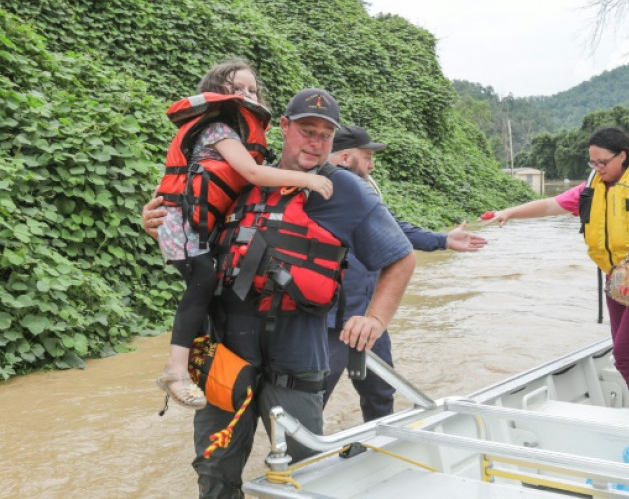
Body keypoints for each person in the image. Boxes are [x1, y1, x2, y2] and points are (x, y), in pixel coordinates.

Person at [145, 88, 415, 498]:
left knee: (304, 470)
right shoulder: (244, 176)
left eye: (325, 136)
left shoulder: (345, 190)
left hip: (298, 351)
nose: (315, 142)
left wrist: (375, 318)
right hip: (227, 350)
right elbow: (194, 230)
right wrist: (157, 225)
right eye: (307, 130)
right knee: (214, 467)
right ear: (284, 128)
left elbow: (401, 257)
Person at [153, 59, 333, 410]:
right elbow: (252, 173)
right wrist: (307, 179)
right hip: (183, 227)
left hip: (197, 230)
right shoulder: (218, 129)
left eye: (252, 90)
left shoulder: (237, 135)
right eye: (237, 89)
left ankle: (189, 368)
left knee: (206, 282)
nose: (247, 95)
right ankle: (175, 369)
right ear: (217, 92)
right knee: (202, 281)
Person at [485, 127, 629, 411]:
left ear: (622, 156)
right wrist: (508, 213)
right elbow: (548, 206)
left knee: (626, 354)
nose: (597, 168)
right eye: (593, 163)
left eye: (602, 162)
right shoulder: (593, 188)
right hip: (620, 281)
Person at [324, 125, 487, 422]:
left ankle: (377, 449)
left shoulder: (362, 193)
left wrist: (443, 240)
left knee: (380, 392)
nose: (372, 164)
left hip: (370, 315)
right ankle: (302, 463)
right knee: (315, 396)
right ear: (346, 157)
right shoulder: (318, 191)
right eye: (367, 157)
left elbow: (394, 231)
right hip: (329, 320)